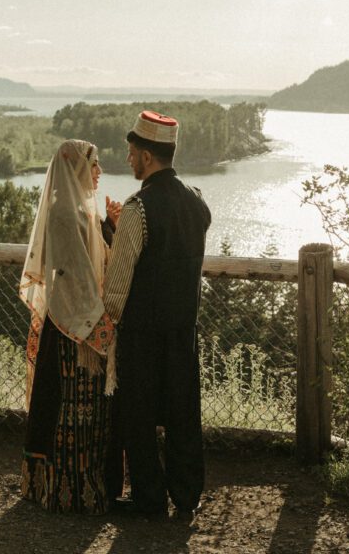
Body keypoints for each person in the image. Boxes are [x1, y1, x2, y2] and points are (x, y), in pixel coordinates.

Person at [103, 110, 211, 521]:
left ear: (147, 156)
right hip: (183, 329)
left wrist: (111, 318)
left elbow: (118, 284)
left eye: (132, 153)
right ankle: (187, 494)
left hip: (143, 332)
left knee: (139, 415)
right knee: (184, 413)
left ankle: (149, 499)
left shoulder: (137, 209)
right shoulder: (197, 202)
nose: (128, 159)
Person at [18, 139, 117, 514]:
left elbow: (96, 261)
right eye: (93, 164)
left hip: (80, 321)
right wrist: (99, 325)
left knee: (80, 408)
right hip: (70, 326)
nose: (99, 171)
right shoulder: (63, 213)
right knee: (64, 406)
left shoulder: (80, 211)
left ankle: (83, 486)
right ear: (76, 169)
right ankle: (67, 489)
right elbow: (74, 274)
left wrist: (110, 227)